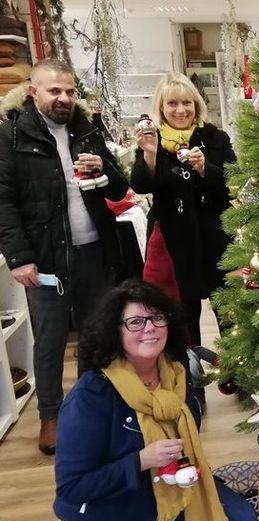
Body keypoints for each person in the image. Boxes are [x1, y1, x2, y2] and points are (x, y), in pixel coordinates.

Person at [54, 278, 256, 521]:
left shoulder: (175, 376)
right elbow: (72, 487)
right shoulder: (91, 396)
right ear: (114, 331)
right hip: (114, 508)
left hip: (173, 483)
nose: (150, 328)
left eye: (157, 318)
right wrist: (140, 460)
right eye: (135, 322)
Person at [0, 59, 129, 455]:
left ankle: (90, 407)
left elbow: (118, 186)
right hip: (46, 258)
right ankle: (51, 415)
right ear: (32, 91)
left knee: (94, 336)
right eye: (54, 90)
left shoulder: (87, 129)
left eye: (70, 91)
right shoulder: (12, 135)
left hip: (94, 251)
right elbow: (3, 201)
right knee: (51, 339)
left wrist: (103, 168)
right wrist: (19, 257)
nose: (64, 98)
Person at [131, 72, 236, 346]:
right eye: (172, 104)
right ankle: (191, 381)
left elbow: (234, 183)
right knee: (183, 317)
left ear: (197, 105)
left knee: (229, 312)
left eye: (187, 103)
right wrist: (150, 154)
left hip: (216, 238)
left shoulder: (216, 139)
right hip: (174, 243)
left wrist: (205, 169)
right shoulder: (152, 141)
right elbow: (140, 185)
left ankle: (237, 377)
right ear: (162, 109)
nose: (181, 110)